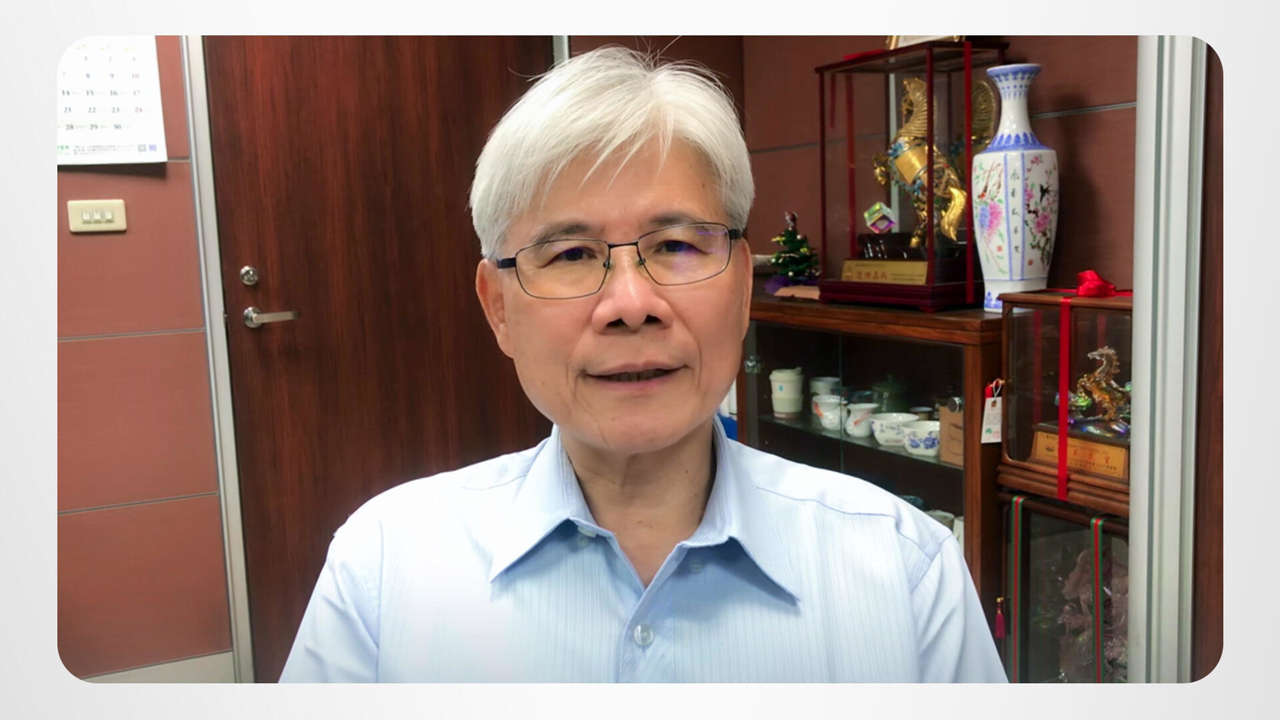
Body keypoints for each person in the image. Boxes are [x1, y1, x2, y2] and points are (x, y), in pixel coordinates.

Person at [279, 46, 1006, 683]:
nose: (631, 305)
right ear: (498, 307)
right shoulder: (384, 571)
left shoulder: (904, 571)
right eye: (571, 254)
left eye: (676, 246)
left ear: (743, 288)